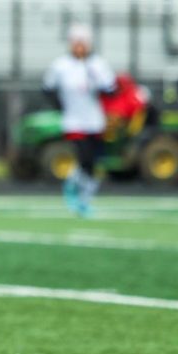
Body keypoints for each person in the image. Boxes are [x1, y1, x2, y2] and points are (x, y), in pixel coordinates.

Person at [42, 24, 116, 217]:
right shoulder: (61, 65)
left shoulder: (97, 64)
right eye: (76, 43)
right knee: (84, 157)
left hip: (94, 120)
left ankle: (85, 200)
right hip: (74, 120)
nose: (80, 47)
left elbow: (111, 89)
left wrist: (98, 80)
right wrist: (60, 107)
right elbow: (47, 88)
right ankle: (72, 186)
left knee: (92, 163)